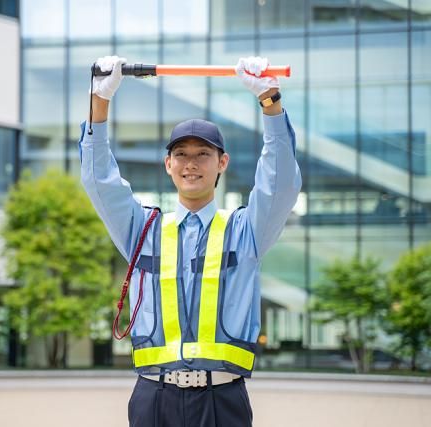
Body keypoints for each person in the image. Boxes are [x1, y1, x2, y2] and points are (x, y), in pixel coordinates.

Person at [79, 55, 302, 427]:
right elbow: (99, 181)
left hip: (223, 400)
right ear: (168, 164)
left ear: (222, 162)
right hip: (153, 399)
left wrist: (270, 103)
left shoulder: (246, 230)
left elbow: (279, 184)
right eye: (180, 154)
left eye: (203, 154)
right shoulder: (142, 229)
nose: (191, 164)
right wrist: (99, 102)